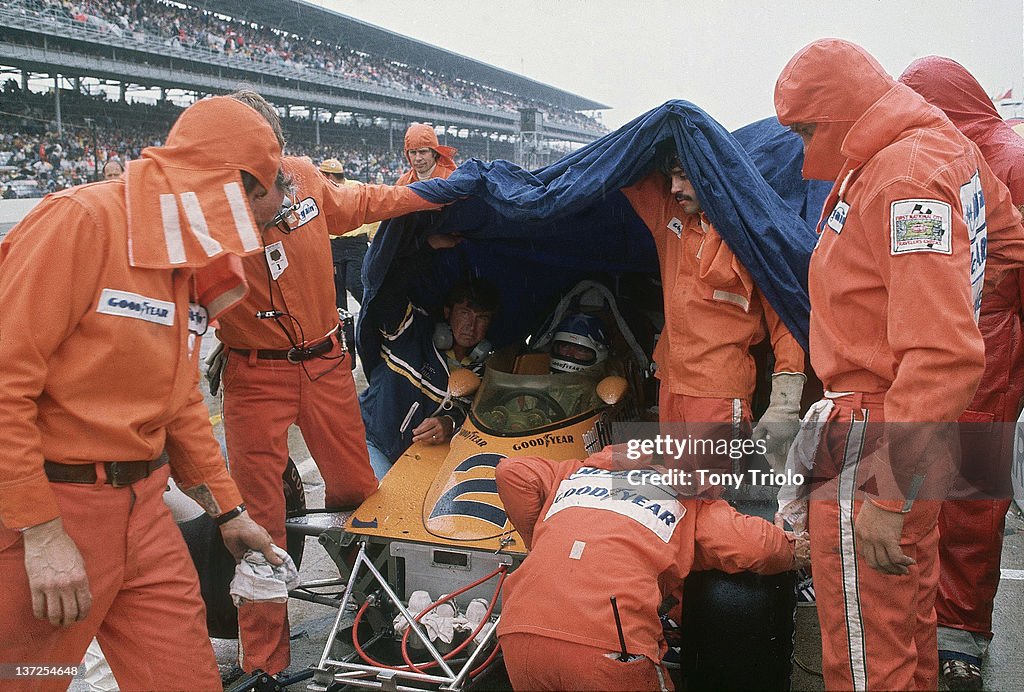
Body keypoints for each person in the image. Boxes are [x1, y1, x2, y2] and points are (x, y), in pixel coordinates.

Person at [0, 96, 284, 692]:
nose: (256, 233)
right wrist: (42, 533)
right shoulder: (81, 221)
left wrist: (229, 511)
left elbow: (178, 400)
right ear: (234, 184)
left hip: (144, 512)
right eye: (261, 211)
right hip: (49, 513)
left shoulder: (182, 261)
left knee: (186, 678)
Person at [774, 39, 1024, 690]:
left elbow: (941, 352)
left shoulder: (906, 175)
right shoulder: (937, 150)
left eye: (804, 131)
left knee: (865, 661)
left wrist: (887, 496)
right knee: (904, 638)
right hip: (898, 433)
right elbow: (1011, 237)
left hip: (875, 441)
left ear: (838, 113)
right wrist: (964, 293)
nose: (803, 155)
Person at [215, 90, 444, 678]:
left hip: (323, 366)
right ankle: (266, 664)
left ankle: (376, 616)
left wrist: (434, 192)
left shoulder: (306, 179)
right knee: (258, 518)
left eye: (272, 150)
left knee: (357, 490)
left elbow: (364, 199)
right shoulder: (207, 209)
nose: (270, 164)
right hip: (253, 374)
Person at [900, 55, 1024, 691]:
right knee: (916, 493)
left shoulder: (1009, 157)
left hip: (988, 355)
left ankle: (961, 633)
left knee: (971, 505)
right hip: (938, 348)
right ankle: (930, 626)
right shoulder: (932, 154)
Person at [494, 445, 808, 691]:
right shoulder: (686, 498)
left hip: (520, 635)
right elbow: (757, 547)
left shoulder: (575, 474)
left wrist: (538, 541)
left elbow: (511, 471)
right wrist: (796, 549)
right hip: (609, 646)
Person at [620, 144, 806, 484]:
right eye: (672, 178)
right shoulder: (671, 218)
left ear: (710, 177)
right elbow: (625, 166)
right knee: (679, 493)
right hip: (670, 385)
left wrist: (785, 402)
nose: (674, 188)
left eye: (685, 177)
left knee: (714, 502)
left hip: (719, 396)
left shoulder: (754, 240)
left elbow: (786, 318)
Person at [359, 272, 500, 479]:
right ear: (447, 312)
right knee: (386, 503)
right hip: (370, 441)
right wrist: (421, 245)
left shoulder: (482, 370)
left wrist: (448, 423)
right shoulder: (410, 334)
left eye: (482, 318)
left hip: (417, 456)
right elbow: (383, 289)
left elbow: (472, 413)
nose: (471, 326)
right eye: (464, 313)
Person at [319, 157, 378, 308]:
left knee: (355, 284)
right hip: (334, 245)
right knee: (337, 293)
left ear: (329, 177)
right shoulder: (321, 194)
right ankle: (345, 330)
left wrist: (374, 234)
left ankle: (372, 312)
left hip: (355, 244)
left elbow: (370, 209)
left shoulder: (355, 188)